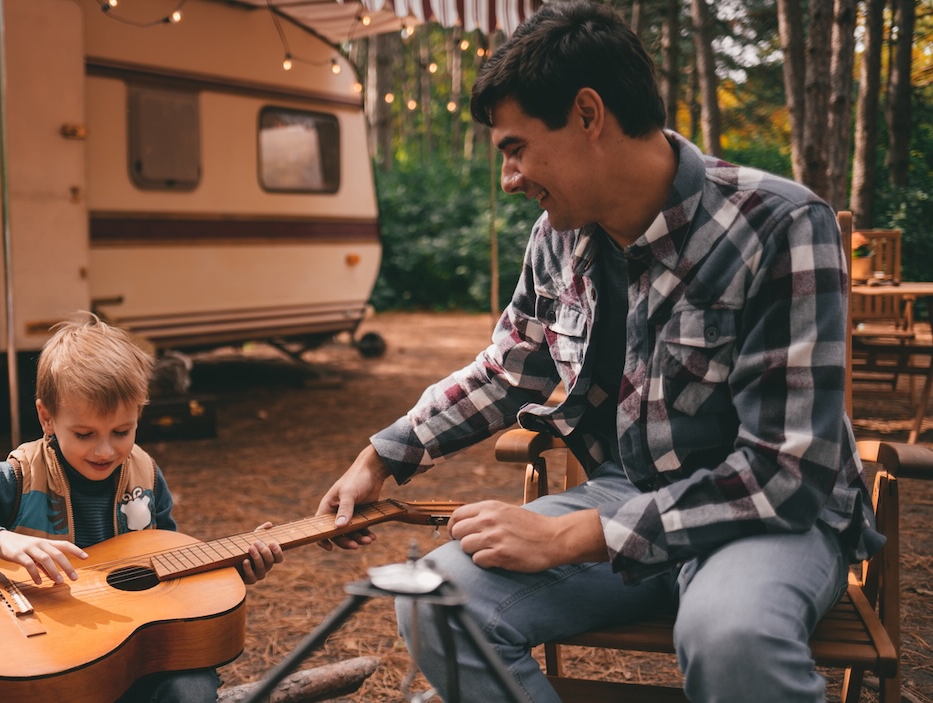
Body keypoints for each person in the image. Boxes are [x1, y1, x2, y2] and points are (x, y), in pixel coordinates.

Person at [315, 2, 884, 702]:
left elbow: (785, 475)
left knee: (734, 638)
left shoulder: (783, 225)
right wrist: (384, 454)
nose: (510, 177)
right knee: (436, 597)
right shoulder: (558, 236)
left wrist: (572, 536)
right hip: (626, 492)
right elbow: (508, 368)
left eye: (516, 148)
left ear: (589, 115)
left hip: (764, 519)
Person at [0, 313, 283, 703]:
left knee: (191, 691)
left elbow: (170, 570)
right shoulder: (19, 477)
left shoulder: (145, 475)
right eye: (84, 434)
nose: (105, 450)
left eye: (122, 432)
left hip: (134, 652)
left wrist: (233, 568)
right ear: (47, 417)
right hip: (45, 658)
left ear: (138, 414)